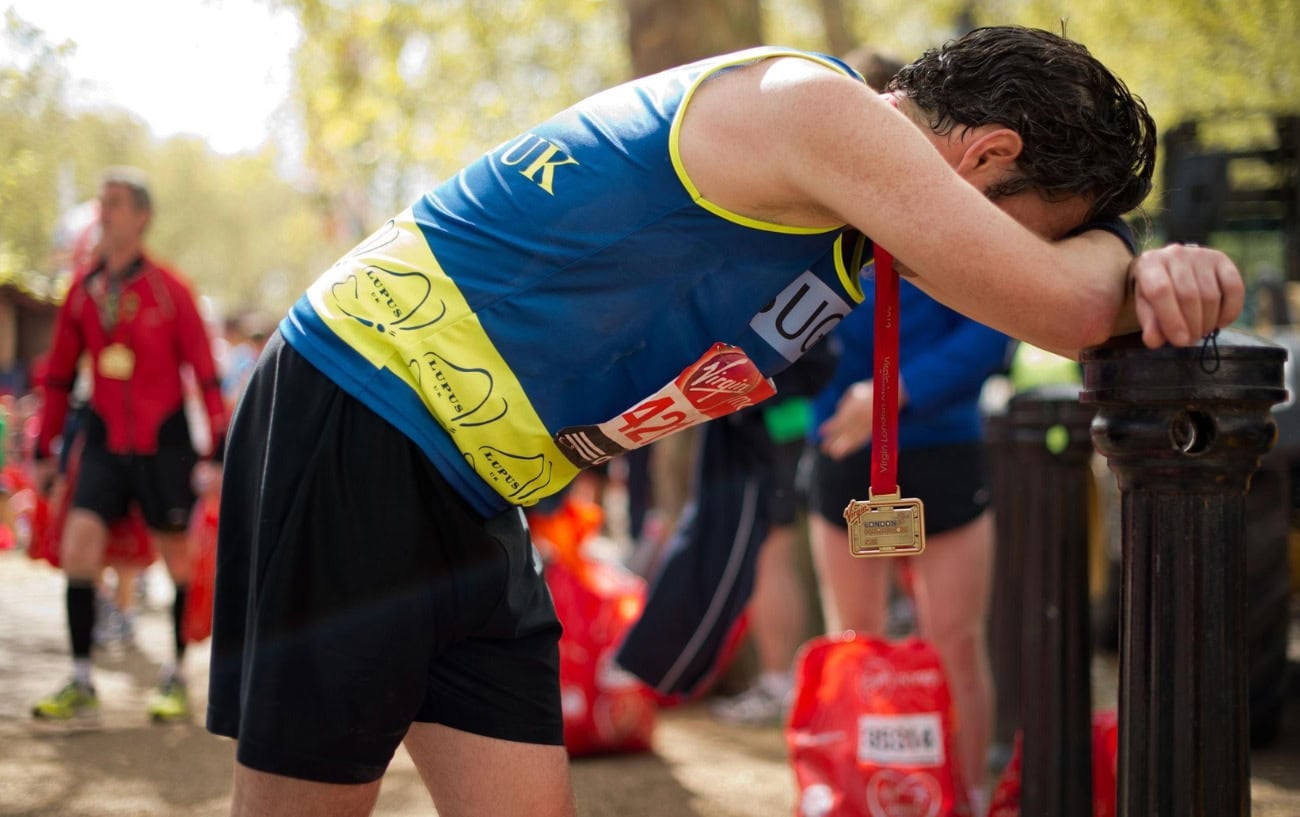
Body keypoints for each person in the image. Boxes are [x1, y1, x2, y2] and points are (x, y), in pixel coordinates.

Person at [208, 27, 1243, 817]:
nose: (1021, 255)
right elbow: (1059, 310)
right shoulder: (820, 112)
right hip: (365, 404)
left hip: (474, 480)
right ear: (986, 154)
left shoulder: (849, 195)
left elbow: (1063, 300)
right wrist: (1131, 262)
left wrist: (1122, 254)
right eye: (1041, 231)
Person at [806, 272, 1014, 811]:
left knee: (956, 644)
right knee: (856, 646)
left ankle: (966, 798)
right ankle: (863, 794)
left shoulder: (961, 199)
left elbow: (994, 327)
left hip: (942, 444)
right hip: (843, 446)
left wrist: (898, 387)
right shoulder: (820, 206)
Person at [31, 167, 227, 723]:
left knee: (177, 561)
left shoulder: (170, 289)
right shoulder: (84, 290)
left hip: (165, 445)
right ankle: (81, 677)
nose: (105, 212)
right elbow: (59, 376)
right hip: (102, 443)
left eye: (115, 203)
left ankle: (175, 675)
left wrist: (215, 451)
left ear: (141, 216)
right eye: (101, 202)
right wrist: (45, 448)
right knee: (78, 548)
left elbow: (206, 373)